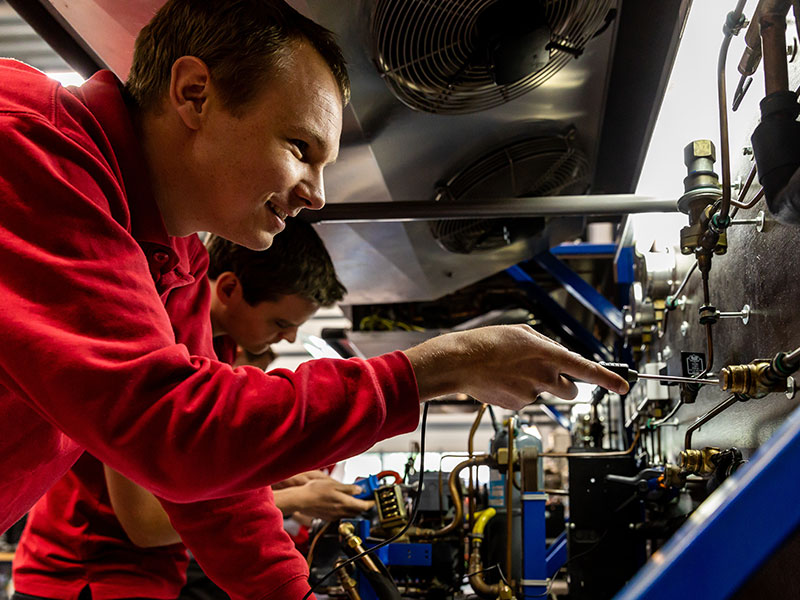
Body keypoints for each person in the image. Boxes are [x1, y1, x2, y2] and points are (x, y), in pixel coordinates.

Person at [0, 0, 628, 597]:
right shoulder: (29, 146)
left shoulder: (174, 262)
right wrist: (438, 367)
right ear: (195, 94)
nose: (318, 195)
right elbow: (173, 431)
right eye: (300, 149)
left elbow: (212, 486)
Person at [12, 221, 373, 599]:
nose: (289, 338)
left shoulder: (218, 354)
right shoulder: (160, 345)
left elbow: (191, 468)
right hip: (86, 578)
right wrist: (294, 500)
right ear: (230, 288)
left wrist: (271, 481)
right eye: (280, 322)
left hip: (144, 575)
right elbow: (144, 523)